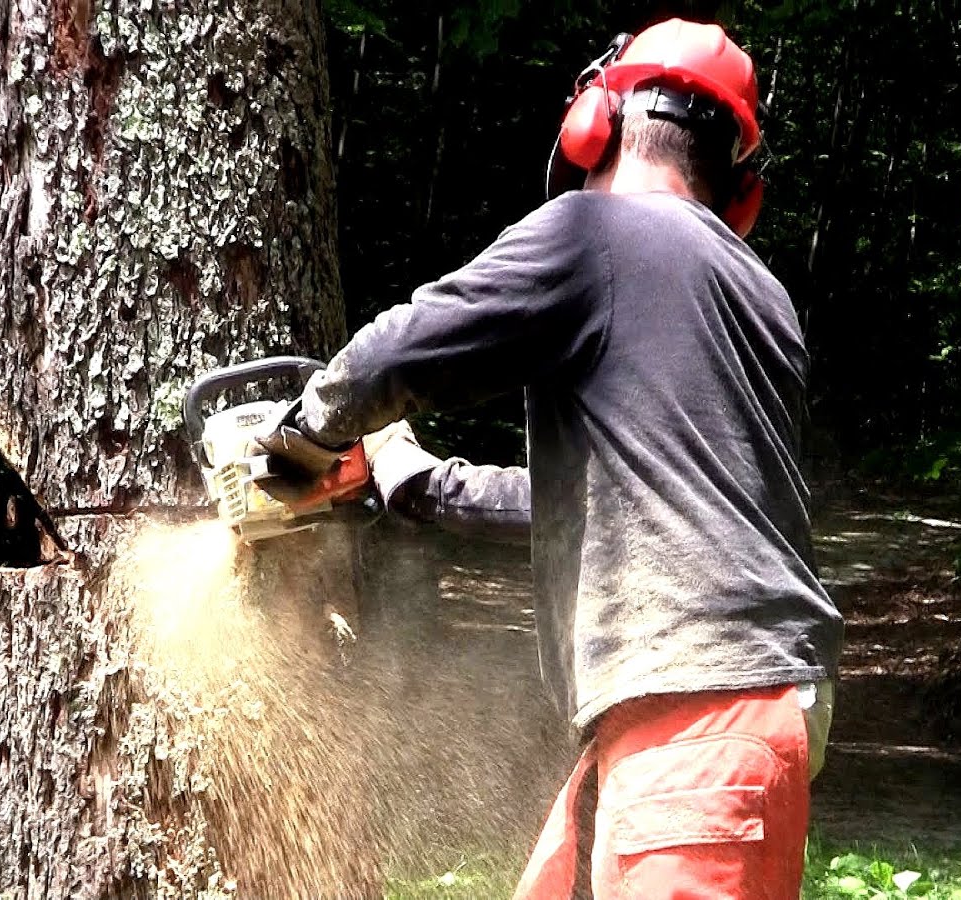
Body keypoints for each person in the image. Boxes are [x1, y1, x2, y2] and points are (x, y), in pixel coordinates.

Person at [256, 17, 845, 899]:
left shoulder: (596, 231)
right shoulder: (761, 298)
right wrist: (416, 480)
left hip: (696, 712)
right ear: (738, 186)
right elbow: (615, 504)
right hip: (727, 705)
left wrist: (297, 441)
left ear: (596, 126)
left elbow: (397, 354)